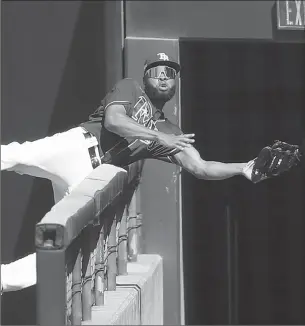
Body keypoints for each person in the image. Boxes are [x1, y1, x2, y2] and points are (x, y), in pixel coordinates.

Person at [0, 52, 290, 293]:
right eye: (157, 71)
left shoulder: (170, 131)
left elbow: (200, 167)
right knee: (16, 154)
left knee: (60, 252)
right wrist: (157, 137)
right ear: (146, 77)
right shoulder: (131, 88)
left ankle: (3, 280)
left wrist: (243, 168)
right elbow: (114, 121)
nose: (163, 76)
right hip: (78, 146)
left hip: (89, 178)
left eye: (169, 72)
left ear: (175, 84)